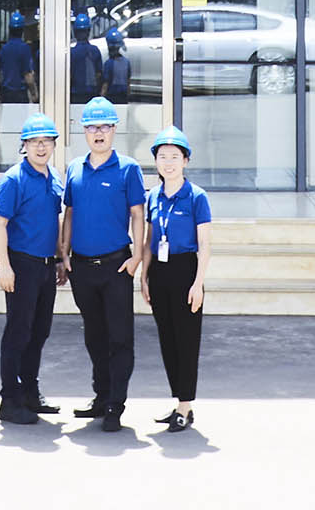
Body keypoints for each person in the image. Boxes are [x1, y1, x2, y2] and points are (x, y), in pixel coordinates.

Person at [60, 95, 145, 433]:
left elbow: (137, 214)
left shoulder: (128, 169)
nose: (98, 133)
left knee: (119, 337)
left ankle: (115, 404)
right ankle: (101, 396)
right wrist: (64, 252)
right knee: (94, 336)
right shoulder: (74, 169)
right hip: (82, 268)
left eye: (105, 127)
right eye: (92, 127)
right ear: (84, 131)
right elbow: (69, 213)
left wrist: (137, 256)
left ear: (114, 130)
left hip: (116, 266)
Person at [0, 113, 68, 425]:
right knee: (18, 332)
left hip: (46, 266)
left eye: (46, 141)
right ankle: (9, 399)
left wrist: (60, 258)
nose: (41, 147)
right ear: (24, 145)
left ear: (54, 145)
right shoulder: (14, 180)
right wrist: (4, 265)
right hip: (21, 264)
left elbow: (55, 220)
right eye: (34, 141)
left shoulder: (54, 177)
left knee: (39, 331)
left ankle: (30, 393)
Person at [140, 125, 212, 433]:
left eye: (174, 156)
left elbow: (205, 245)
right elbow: (148, 241)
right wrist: (144, 277)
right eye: (162, 156)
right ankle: (179, 403)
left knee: (186, 340)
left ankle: (185, 405)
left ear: (185, 161)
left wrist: (198, 283)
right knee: (167, 340)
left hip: (185, 271)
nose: (168, 163)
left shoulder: (196, 197)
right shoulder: (153, 196)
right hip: (159, 271)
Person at [0, 11, 35, 105]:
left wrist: (0, 94)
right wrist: (34, 94)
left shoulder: (4, 49)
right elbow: (28, 75)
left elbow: (0, 76)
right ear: (22, 30)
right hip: (20, 94)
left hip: (6, 93)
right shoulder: (25, 48)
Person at [69, 17, 105, 102]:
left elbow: (69, 75)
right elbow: (99, 75)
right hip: (92, 93)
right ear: (88, 31)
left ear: (75, 32)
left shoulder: (72, 52)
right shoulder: (94, 50)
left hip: (75, 93)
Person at [102, 27, 131, 105]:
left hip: (112, 97)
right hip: (123, 96)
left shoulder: (108, 63)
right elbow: (128, 82)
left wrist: (101, 97)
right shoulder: (126, 62)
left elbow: (105, 84)